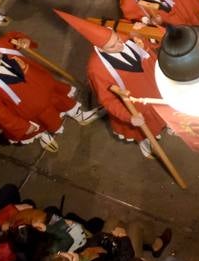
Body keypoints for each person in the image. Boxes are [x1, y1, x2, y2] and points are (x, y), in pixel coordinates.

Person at [56, 11, 169, 155]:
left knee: (165, 112)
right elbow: (108, 100)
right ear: (100, 48)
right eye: (112, 46)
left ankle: (169, 122)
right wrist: (129, 117)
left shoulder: (126, 34)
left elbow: (153, 45)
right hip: (138, 104)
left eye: (117, 39)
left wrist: (148, 29)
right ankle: (145, 141)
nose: (120, 45)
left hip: (158, 86)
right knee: (144, 129)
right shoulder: (96, 69)